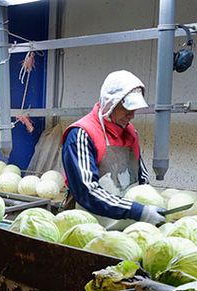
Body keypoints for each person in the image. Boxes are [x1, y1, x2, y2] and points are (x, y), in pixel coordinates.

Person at [61, 70, 164, 230]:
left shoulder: (130, 132)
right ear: (110, 103)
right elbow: (86, 191)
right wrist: (137, 211)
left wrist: (150, 207)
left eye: (134, 109)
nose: (132, 115)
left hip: (127, 228)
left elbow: (141, 177)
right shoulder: (82, 134)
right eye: (127, 108)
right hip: (91, 230)